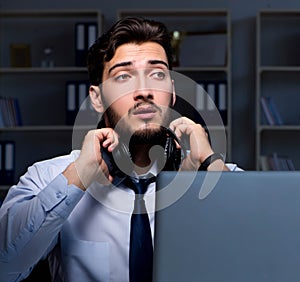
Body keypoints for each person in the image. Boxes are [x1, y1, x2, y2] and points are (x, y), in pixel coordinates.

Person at [0, 17, 242, 282]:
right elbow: (6, 266)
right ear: (97, 97)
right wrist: (79, 176)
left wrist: (210, 164)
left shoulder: (217, 174)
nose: (144, 91)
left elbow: (264, 258)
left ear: (171, 92)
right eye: (124, 76)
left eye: (157, 74)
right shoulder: (49, 177)